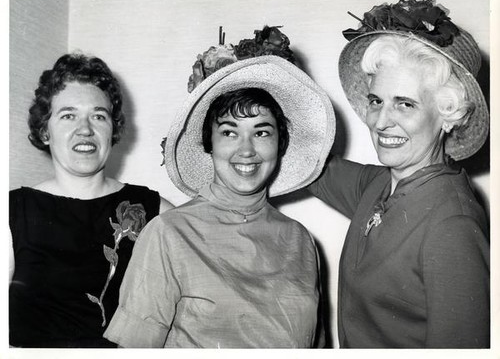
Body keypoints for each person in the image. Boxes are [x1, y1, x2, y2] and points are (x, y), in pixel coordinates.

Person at [104, 36, 336, 347]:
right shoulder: (168, 233)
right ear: (209, 145)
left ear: (280, 145)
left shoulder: (300, 240)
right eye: (229, 132)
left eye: (262, 132)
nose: (247, 149)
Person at [308, 0, 489, 348]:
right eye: (377, 101)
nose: (380, 121)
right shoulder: (378, 186)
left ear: (447, 115)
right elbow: (308, 166)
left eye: (404, 104)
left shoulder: (453, 225)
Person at [9, 52, 173, 348]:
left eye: (99, 115)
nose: (85, 129)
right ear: (45, 130)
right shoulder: (11, 213)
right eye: (68, 115)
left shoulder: (154, 209)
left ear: (113, 129)